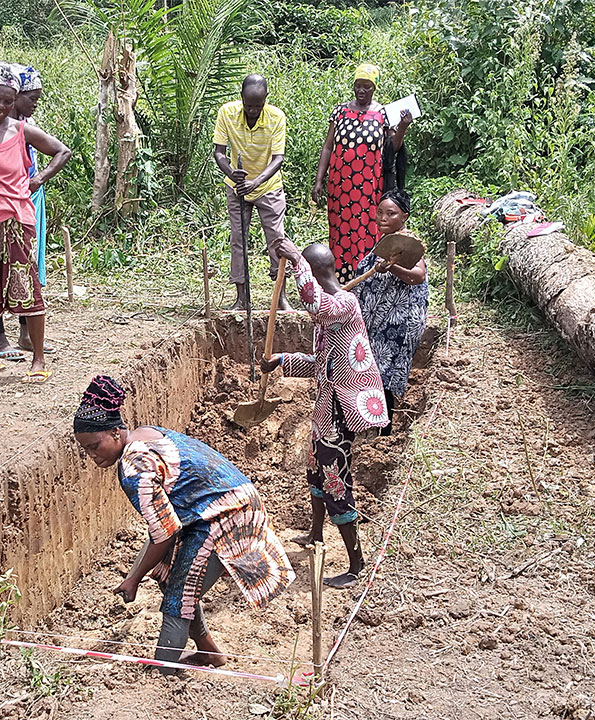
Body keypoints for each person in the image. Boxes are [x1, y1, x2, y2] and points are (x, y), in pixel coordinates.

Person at [73, 375, 294, 673]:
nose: (92, 455)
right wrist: (136, 572)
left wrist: (134, 578)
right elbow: (162, 529)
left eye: (94, 445)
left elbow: (164, 534)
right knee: (169, 576)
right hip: (218, 505)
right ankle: (209, 653)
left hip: (225, 514)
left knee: (179, 595)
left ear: (114, 432)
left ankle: (162, 672)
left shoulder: (133, 468)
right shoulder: (142, 434)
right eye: (86, 449)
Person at [262, 239, 389, 588]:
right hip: (326, 410)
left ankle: (356, 563)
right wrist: (282, 360)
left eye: (305, 276)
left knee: (335, 484)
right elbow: (322, 364)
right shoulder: (330, 314)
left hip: (343, 413)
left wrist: (295, 260)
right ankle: (316, 534)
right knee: (316, 474)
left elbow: (316, 305)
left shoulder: (344, 304)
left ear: (315, 275)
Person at [0, 64, 71, 383]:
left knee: (27, 285)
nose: (2, 106)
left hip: (16, 219)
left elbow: (61, 151)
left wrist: (38, 178)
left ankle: (37, 360)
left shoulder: (22, 130)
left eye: (9, 101)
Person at [311, 64, 412, 283]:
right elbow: (328, 146)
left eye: (367, 86)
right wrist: (319, 180)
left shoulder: (383, 114)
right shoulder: (339, 112)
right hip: (340, 186)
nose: (361, 91)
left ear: (374, 88)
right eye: (358, 86)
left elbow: (392, 149)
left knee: (367, 229)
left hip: (369, 186)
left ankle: (366, 278)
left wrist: (402, 127)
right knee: (340, 231)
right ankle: (340, 280)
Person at [212, 74, 291, 311]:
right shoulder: (227, 113)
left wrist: (255, 182)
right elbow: (219, 153)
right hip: (237, 186)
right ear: (241, 98)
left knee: (277, 239)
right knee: (238, 239)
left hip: (267, 185)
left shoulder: (276, 117)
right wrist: (232, 172)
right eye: (249, 105)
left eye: (258, 105)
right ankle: (242, 297)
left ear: (266, 99)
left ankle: (280, 296)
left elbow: (278, 158)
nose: (254, 110)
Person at [352, 189, 428, 434]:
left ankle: (384, 430)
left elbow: (418, 276)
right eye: (380, 212)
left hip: (398, 322)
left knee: (384, 373)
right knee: (374, 371)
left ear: (404, 216)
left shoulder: (408, 244)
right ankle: (372, 424)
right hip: (379, 321)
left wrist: (392, 268)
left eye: (391, 213)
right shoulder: (387, 243)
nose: (383, 218)